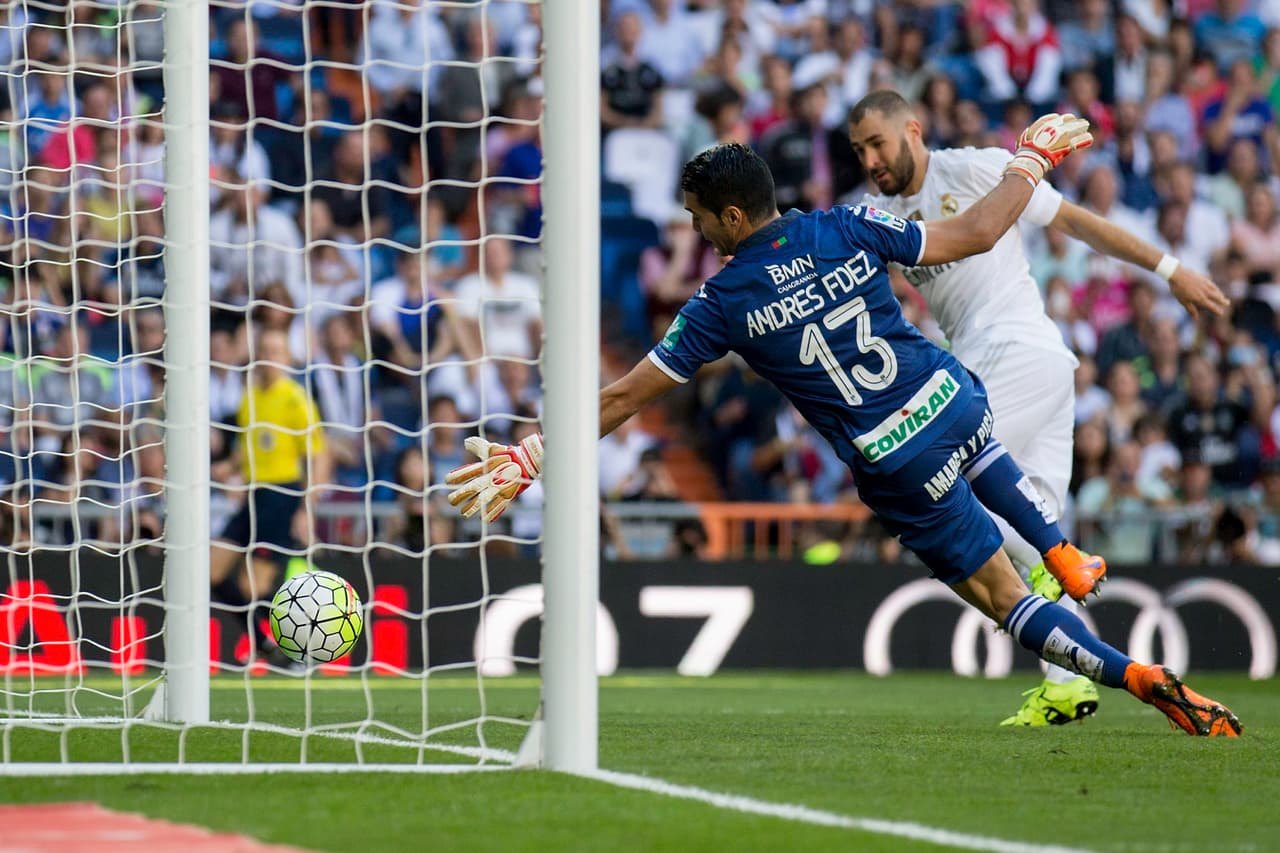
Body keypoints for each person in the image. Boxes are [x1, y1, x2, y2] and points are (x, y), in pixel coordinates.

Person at [445, 136, 1241, 738]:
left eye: (697, 216)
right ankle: (1059, 544)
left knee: (1003, 595)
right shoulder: (847, 222)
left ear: (729, 215)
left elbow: (623, 395)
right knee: (979, 442)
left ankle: (1134, 673)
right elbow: (969, 236)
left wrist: (533, 453)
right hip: (950, 396)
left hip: (896, 457)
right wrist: (1028, 159)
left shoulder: (721, 300)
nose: (696, 230)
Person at [846, 90, 1231, 728]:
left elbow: (1074, 221)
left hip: (1013, 355)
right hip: (1032, 370)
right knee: (1035, 540)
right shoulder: (879, 214)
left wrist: (1170, 270)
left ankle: (1052, 569)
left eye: (878, 143)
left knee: (957, 494)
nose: (870, 159)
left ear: (912, 130)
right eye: (859, 150)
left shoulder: (972, 169)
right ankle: (1065, 687)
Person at [209, 328, 332, 662]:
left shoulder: (295, 398)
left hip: (282, 495)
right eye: (267, 351)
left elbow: (319, 454)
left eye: (278, 352)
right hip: (253, 495)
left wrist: (308, 506)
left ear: (287, 359)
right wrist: (230, 468)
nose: (272, 359)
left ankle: (299, 647)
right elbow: (251, 447)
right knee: (212, 571)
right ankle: (266, 644)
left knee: (253, 587)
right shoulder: (250, 398)